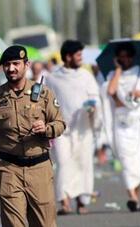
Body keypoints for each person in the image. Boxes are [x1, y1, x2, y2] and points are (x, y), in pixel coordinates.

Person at [0, 45, 66, 227]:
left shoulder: (44, 94)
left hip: (39, 168)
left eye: (16, 63)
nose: (11, 68)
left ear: (26, 65)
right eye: (7, 65)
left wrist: (46, 128)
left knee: (45, 223)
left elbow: (60, 124)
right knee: (13, 224)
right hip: (8, 169)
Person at [102, 42, 140, 212]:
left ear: (133, 57)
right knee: (127, 161)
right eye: (122, 56)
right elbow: (111, 91)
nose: (125, 59)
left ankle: (136, 198)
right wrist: (118, 70)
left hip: (139, 125)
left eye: (128, 56)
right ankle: (132, 197)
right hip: (121, 125)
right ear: (117, 58)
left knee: (138, 162)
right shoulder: (114, 74)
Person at [46, 40, 102, 215]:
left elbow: (95, 97)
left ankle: (82, 202)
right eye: (78, 55)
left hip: (83, 129)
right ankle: (65, 202)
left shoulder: (86, 76)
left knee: (83, 164)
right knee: (63, 164)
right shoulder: (53, 78)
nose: (81, 58)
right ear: (68, 57)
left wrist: (93, 107)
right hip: (61, 130)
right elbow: (46, 102)